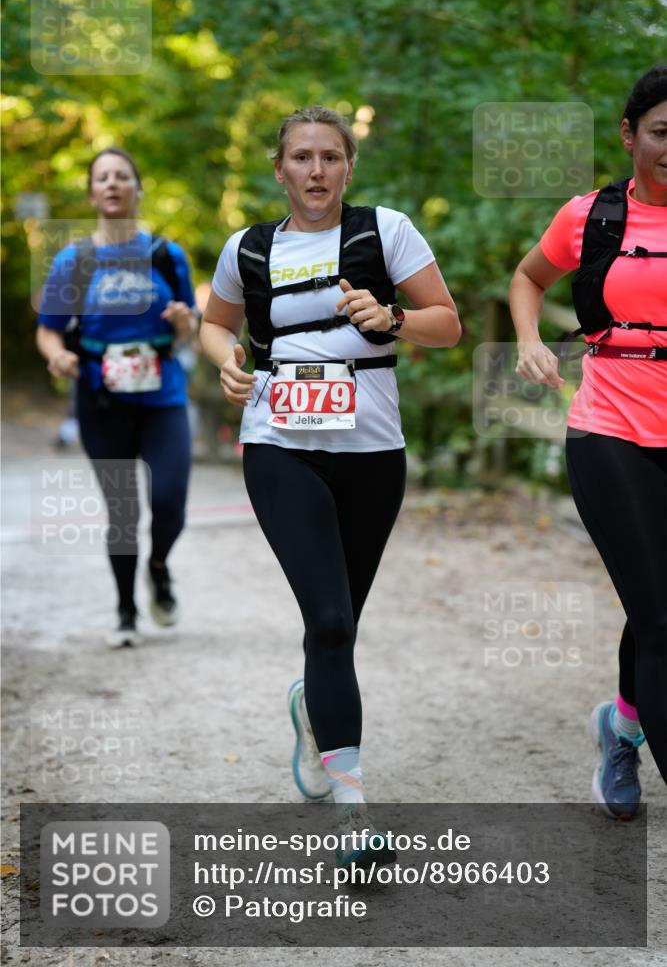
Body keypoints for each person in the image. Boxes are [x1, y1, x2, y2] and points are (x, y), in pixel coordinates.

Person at [201, 105, 461, 867]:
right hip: (279, 446)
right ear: (279, 169)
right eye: (301, 158)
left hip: (373, 453)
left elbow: (446, 323)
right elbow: (215, 324)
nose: (315, 171)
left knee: (336, 624)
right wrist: (224, 358)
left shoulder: (385, 232)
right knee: (331, 621)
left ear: (349, 166)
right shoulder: (247, 248)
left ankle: (310, 704)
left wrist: (391, 316)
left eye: (330, 158)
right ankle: (352, 811)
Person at [509, 65, 667, 816]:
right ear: (628, 135)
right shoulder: (591, 215)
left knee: (654, 609)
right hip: (608, 424)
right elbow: (527, 278)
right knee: (660, 615)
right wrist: (526, 342)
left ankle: (621, 727)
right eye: (662, 133)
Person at [36, 147, 197, 648]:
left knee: (169, 501)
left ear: (137, 187)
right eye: (102, 177)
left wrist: (185, 325)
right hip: (100, 400)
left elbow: (190, 326)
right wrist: (57, 356)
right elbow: (48, 331)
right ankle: (126, 612)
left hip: (162, 396)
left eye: (122, 176)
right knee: (123, 510)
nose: (111, 184)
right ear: (91, 192)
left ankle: (159, 566)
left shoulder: (167, 256)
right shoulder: (74, 260)